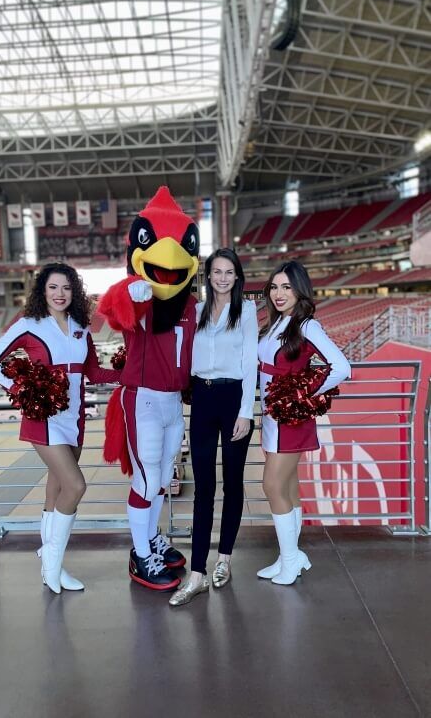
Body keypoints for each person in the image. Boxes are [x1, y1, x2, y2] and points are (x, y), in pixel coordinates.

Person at [0, 262, 120, 594]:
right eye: (53, 287)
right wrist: (20, 390)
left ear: (75, 292)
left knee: (56, 489)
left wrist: (128, 375)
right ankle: (52, 565)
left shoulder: (81, 327)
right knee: (75, 486)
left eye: (67, 288)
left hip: (74, 418)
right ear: (43, 290)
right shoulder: (29, 324)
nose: (60, 294)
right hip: (43, 417)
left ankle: (49, 559)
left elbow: (94, 373)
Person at [98, 186, 199, 591]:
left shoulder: (190, 305)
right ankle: (140, 555)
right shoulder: (139, 296)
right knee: (144, 479)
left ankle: (151, 538)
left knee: (160, 478)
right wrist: (129, 289)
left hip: (173, 403)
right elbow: (113, 306)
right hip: (141, 400)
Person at [169, 248, 258, 606]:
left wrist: (246, 412)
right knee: (204, 487)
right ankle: (197, 574)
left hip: (233, 398)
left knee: (232, 483)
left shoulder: (247, 311)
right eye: (216, 271)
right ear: (208, 276)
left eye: (229, 272)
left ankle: (225, 559)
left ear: (237, 277)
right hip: (203, 400)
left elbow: (250, 362)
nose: (222, 277)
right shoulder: (197, 311)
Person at [256, 260, 350, 585]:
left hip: (288, 419)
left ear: (300, 290)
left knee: (272, 485)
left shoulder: (307, 326)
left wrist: (301, 392)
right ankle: (289, 557)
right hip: (271, 416)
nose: (279, 293)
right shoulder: (276, 324)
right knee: (289, 486)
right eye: (275, 287)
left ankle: (291, 560)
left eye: (287, 287)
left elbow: (341, 367)